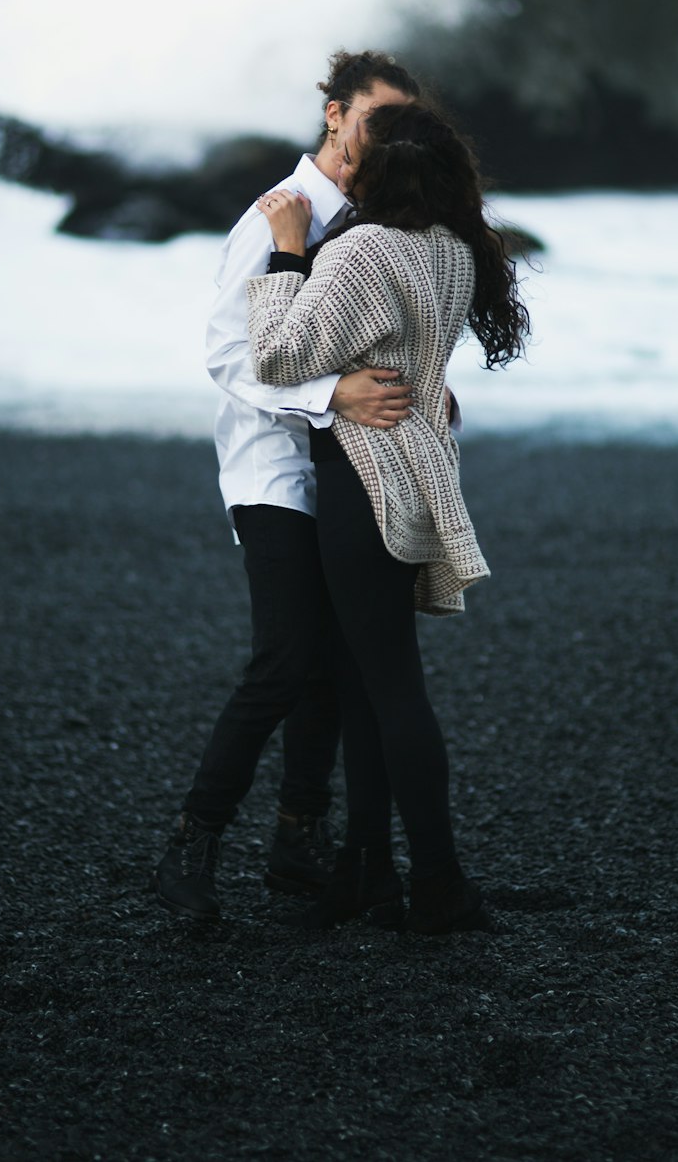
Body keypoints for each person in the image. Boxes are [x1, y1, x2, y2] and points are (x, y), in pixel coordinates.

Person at [247, 100, 529, 934]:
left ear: (374, 173)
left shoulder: (364, 250)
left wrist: (289, 251)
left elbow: (277, 356)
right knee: (369, 686)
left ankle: (439, 881)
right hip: (412, 472)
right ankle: (366, 869)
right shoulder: (450, 251)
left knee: (392, 687)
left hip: (360, 481)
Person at [154, 51, 421, 924]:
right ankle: (190, 845)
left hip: (348, 469)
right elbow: (228, 356)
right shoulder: (278, 216)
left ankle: (297, 843)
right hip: (270, 467)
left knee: (334, 672)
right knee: (282, 662)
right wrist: (330, 393)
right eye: (376, 119)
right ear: (336, 115)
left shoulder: (374, 222)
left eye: (403, 126)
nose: (388, 139)